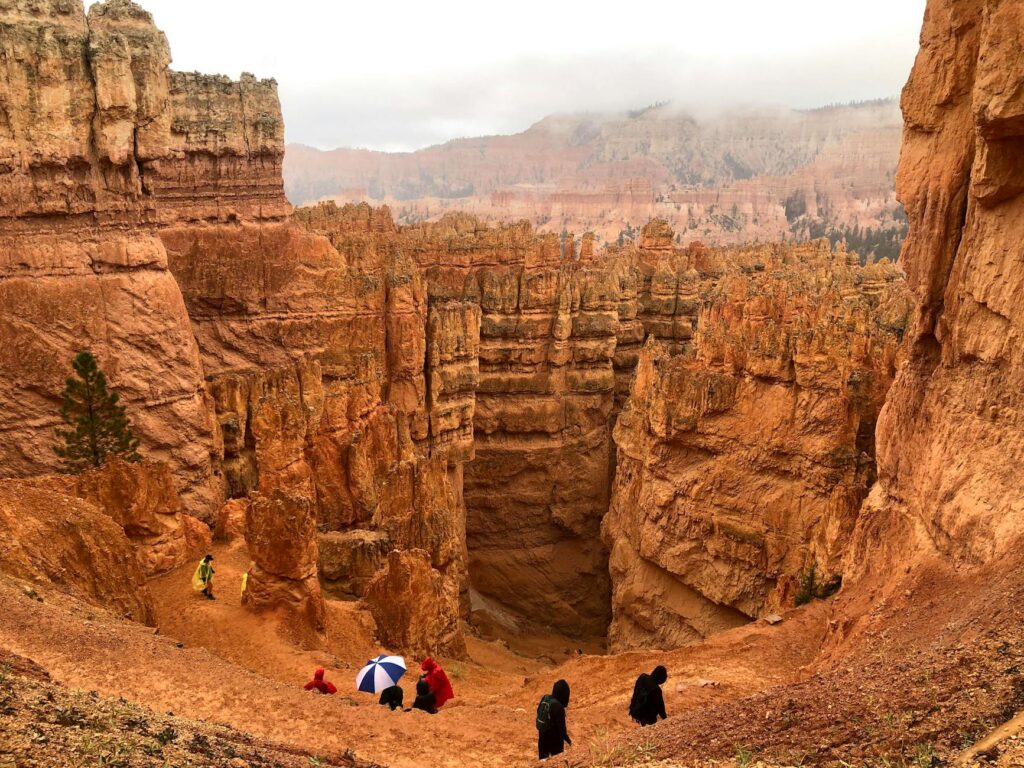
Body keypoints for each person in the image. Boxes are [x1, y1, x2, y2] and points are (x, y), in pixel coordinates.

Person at [536, 679, 571, 760]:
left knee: (543, 763)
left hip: (542, 740)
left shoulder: (545, 698)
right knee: (556, 762)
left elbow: (538, 712)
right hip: (554, 743)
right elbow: (562, 729)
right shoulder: (558, 707)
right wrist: (569, 741)